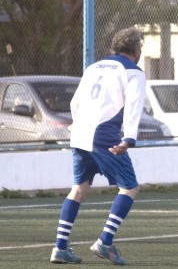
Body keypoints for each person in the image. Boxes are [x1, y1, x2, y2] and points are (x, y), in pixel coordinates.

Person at [50, 27, 147, 265]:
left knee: (79, 189)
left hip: (81, 133)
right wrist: (129, 138)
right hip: (103, 135)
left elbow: (76, 102)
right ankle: (105, 241)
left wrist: (78, 125)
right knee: (129, 188)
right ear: (136, 50)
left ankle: (60, 248)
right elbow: (134, 106)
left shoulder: (93, 67)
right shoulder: (133, 72)